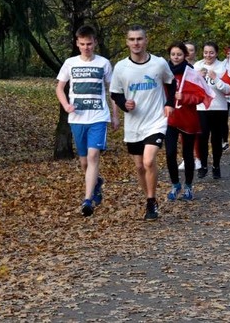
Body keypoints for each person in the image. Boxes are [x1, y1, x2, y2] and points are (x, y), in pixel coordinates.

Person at [109, 26, 174, 220]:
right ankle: (149, 197)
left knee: (148, 161)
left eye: (139, 39)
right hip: (134, 124)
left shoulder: (159, 63)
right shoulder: (121, 67)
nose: (136, 43)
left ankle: (151, 202)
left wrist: (170, 103)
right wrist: (124, 104)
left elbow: (171, 83)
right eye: (132, 39)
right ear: (127, 42)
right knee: (139, 166)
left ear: (146, 40)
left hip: (156, 120)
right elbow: (115, 93)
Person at [56, 25, 119, 217]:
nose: (86, 47)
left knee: (93, 157)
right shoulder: (70, 63)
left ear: (95, 42)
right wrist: (66, 106)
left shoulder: (104, 63)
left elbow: (113, 91)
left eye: (89, 44)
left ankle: (87, 200)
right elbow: (60, 88)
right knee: (84, 162)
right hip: (77, 118)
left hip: (98, 117)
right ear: (77, 43)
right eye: (82, 44)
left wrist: (115, 115)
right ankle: (96, 182)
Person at [165, 42, 205, 202]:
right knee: (169, 153)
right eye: (173, 54)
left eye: (179, 54)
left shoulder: (191, 74)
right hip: (169, 118)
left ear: (185, 56)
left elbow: (201, 96)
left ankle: (188, 186)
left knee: (187, 154)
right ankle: (175, 184)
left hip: (188, 118)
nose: (176, 57)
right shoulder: (164, 72)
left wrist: (185, 98)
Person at [194, 42, 230, 179]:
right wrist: (198, 77)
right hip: (202, 107)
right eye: (206, 52)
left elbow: (228, 89)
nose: (208, 55)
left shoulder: (223, 66)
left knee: (216, 139)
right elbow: (190, 87)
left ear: (216, 53)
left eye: (211, 52)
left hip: (219, 107)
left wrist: (216, 78)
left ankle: (216, 165)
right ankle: (203, 165)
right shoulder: (197, 66)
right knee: (202, 138)